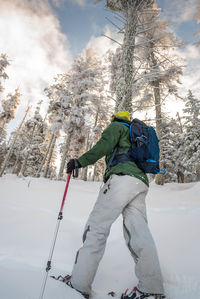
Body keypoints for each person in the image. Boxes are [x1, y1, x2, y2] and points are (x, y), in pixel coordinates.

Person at [66, 111, 165, 299]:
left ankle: (78, 285)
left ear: (115, 118)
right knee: (139, 233)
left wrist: (79, 162)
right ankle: (152, 289)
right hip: (140, 183)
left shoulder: (117, 127)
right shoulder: (136, 133)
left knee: (96, 229)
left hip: (120, 180)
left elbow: (102, 147)